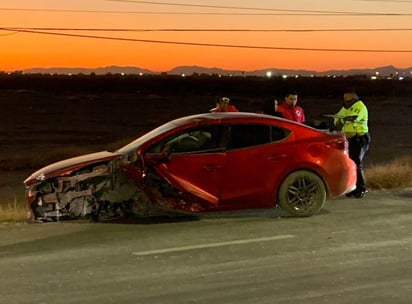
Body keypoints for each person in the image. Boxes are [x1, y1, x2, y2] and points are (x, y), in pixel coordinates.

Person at [334, 88, 371, 198]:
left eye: (347, 99)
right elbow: (338, 117)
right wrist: (335, 121)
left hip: (360, 138)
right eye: (344, 99)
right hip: (350, 138)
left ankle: (362, 188)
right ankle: (353, 187)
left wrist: (343, 119)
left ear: (354, 98)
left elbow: (353, 118)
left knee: (356, 164)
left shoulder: (359, 106)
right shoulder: (347, 107)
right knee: (350, 163)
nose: (345, 101)